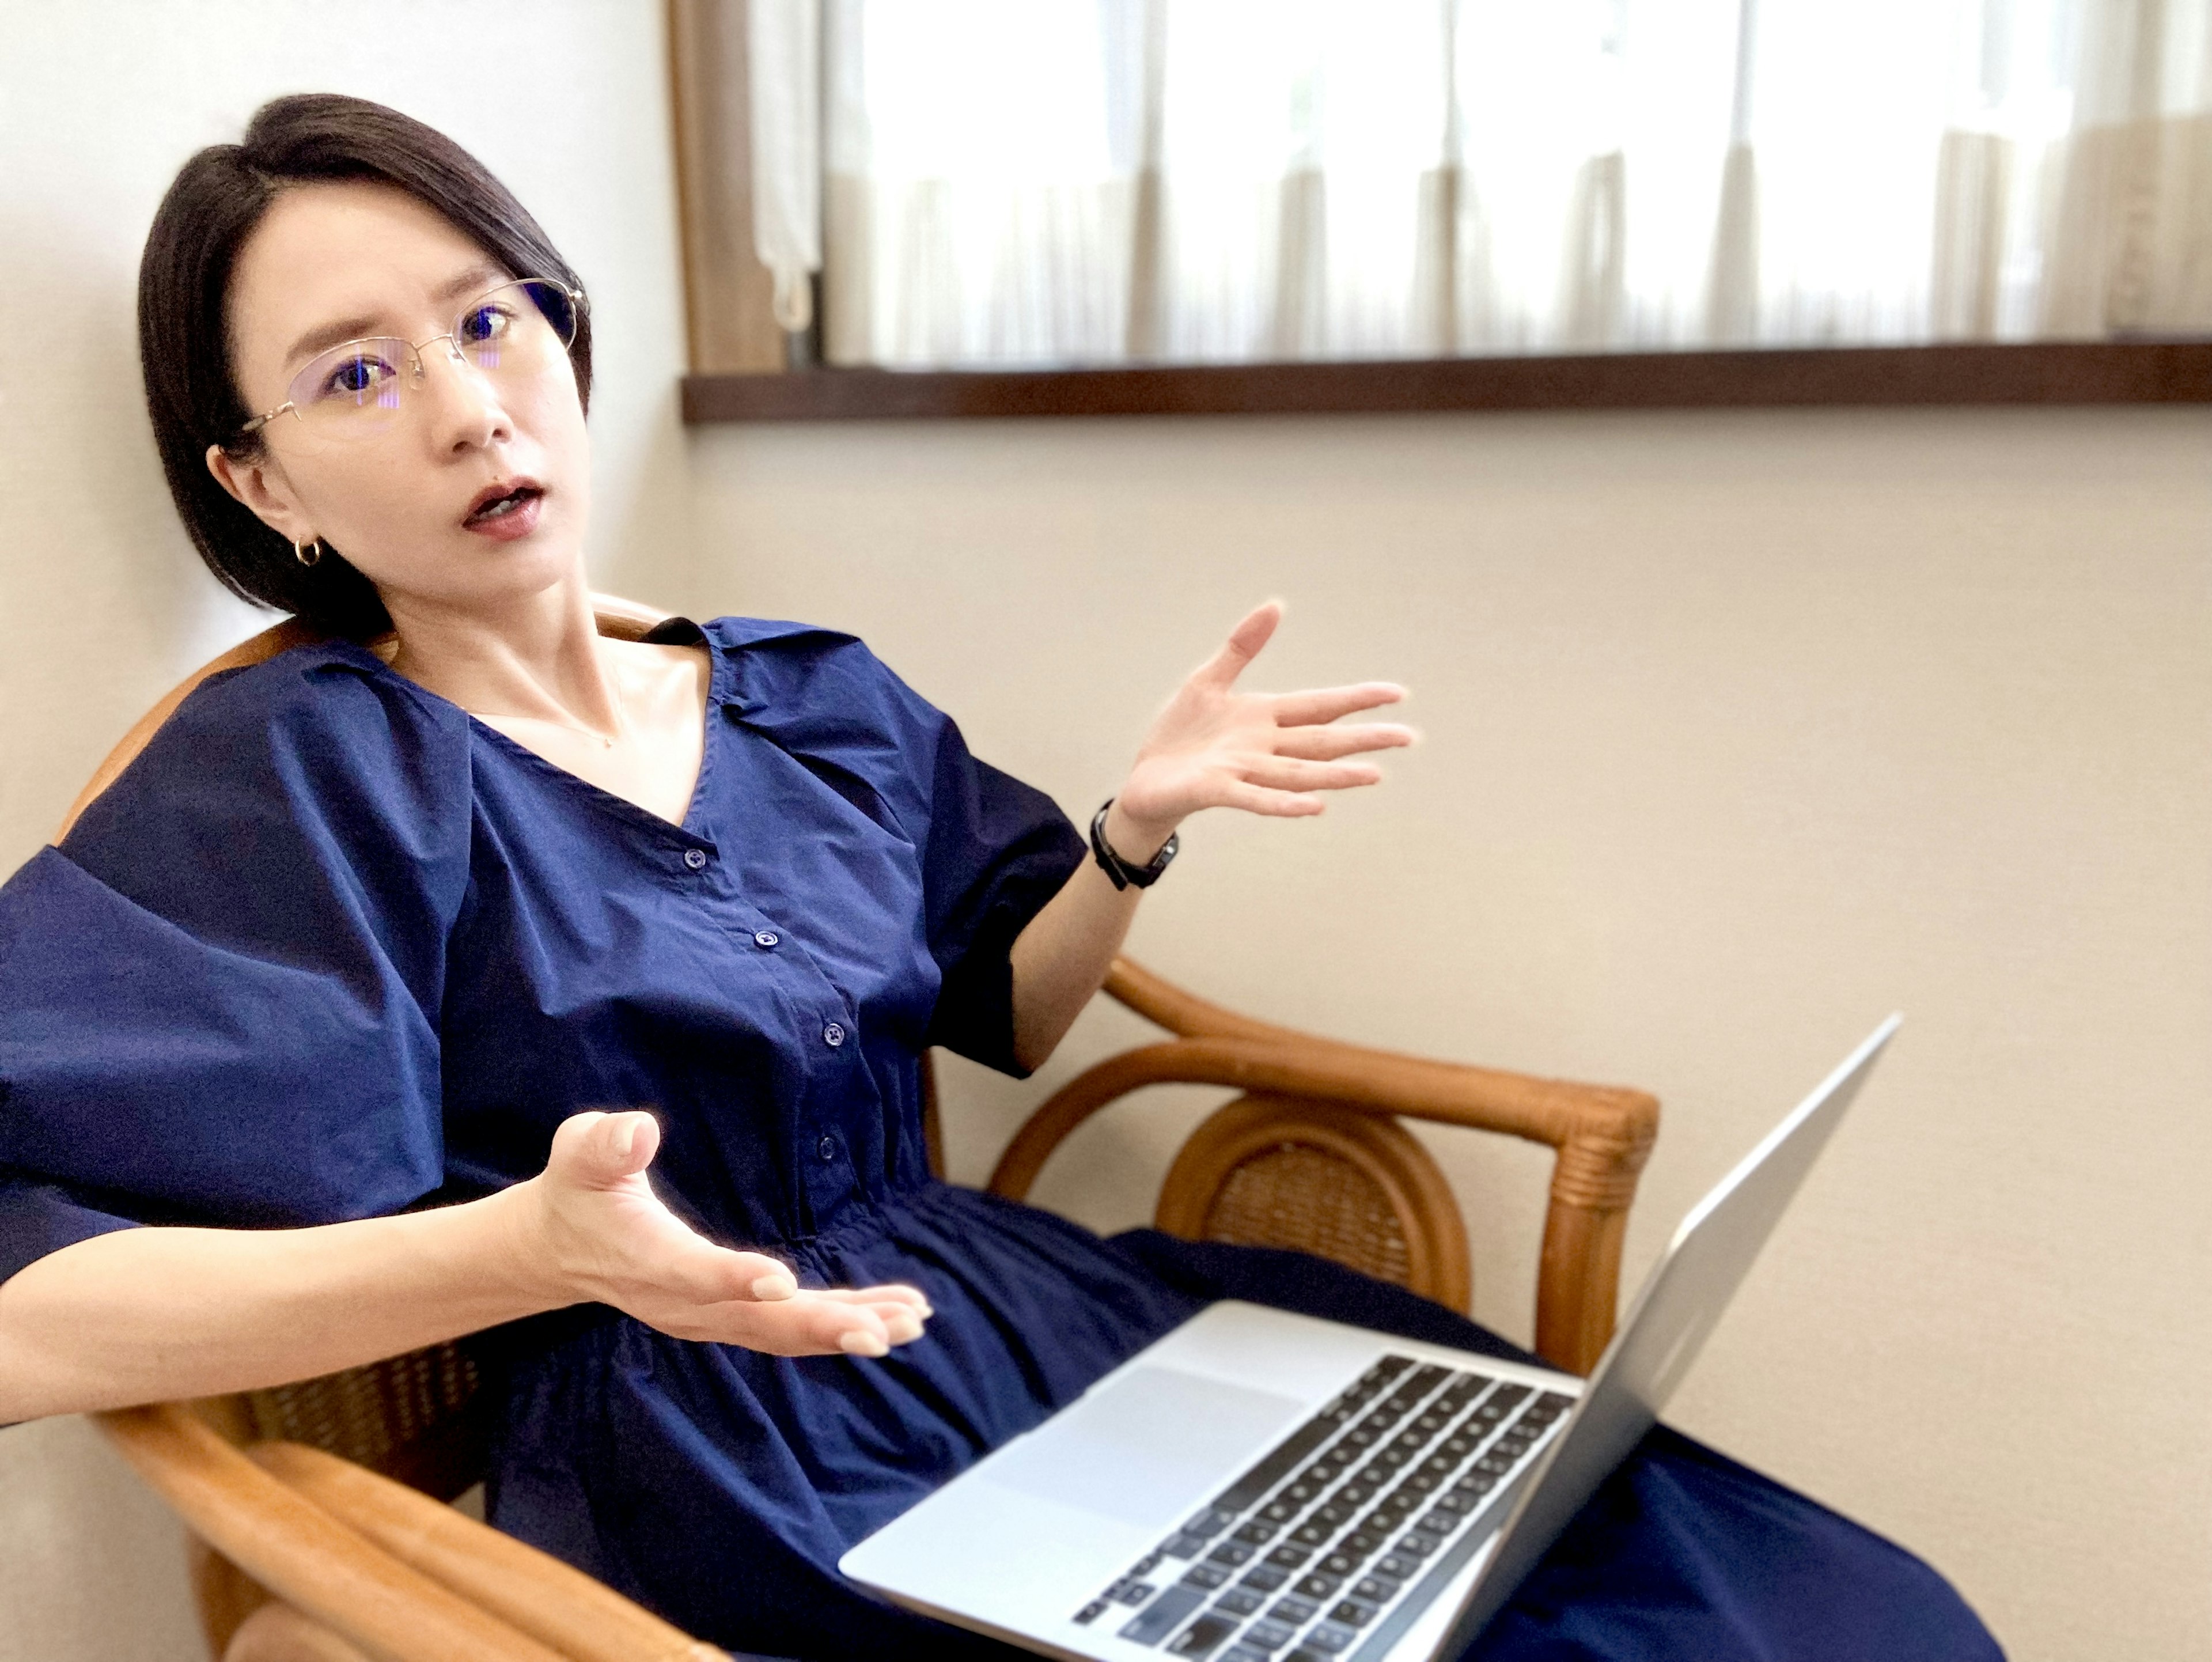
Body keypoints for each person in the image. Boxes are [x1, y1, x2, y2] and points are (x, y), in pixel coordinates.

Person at [0, 95, 1998, 1662]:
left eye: (488, 317)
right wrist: (531, 1255)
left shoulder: (802, 690)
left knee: (1808, 1606)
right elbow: (25, 1326)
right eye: (353, 375)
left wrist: (1134, 830)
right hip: (730, 1443)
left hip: (1026, 1317)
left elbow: (1016, 1016)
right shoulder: (298, 772)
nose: (466, 404)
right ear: (255, 482)